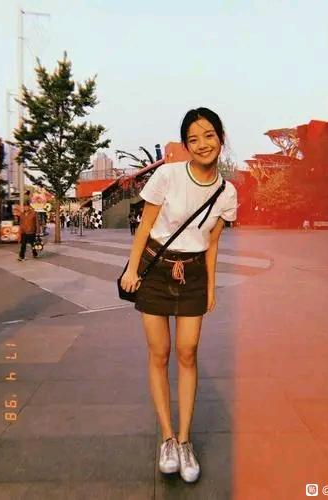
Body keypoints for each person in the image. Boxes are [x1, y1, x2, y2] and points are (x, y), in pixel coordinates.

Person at [120, 107, 237, 483]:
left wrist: (211, 287)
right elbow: (145, 226)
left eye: (209, 135)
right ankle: (167, 439)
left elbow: (213, 243)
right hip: (156, 270)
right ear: (186, 145)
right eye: (193, 139)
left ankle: (185, 441)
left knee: (188, 352)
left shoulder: (227, 192)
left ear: (220, 138)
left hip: (193, 275)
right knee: (160, 353)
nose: (202, 144)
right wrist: (131, 269)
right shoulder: (167, 176)